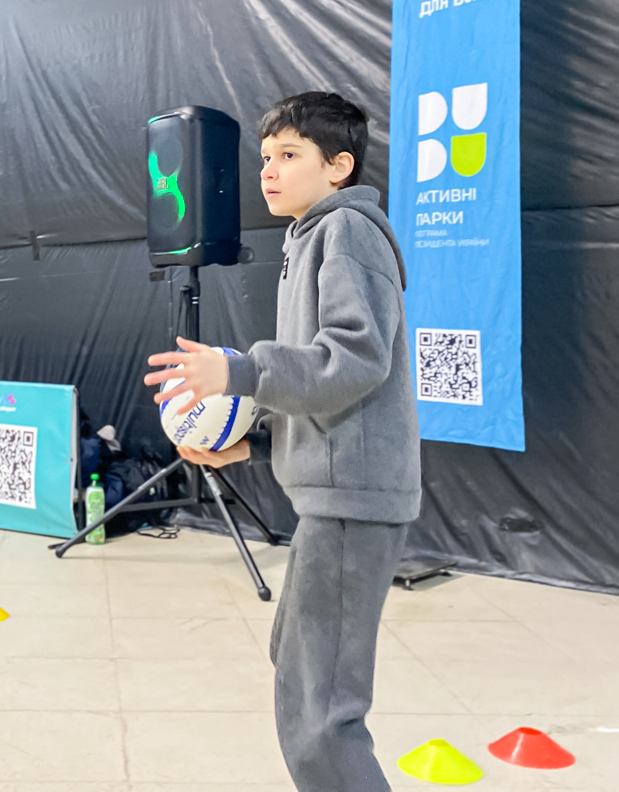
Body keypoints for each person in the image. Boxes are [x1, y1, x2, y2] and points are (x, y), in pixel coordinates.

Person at [142, 91, 420, 792]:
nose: (268, 170)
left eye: (289, 154)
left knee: (321, 711)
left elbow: (354, 359)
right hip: (331, 494)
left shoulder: (347, 231)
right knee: (298, 673)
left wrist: (240, 372)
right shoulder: (309, 237)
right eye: (265, 157)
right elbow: (324, 388)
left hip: (351, 499)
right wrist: (252, 444)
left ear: (339, 166)